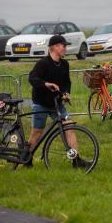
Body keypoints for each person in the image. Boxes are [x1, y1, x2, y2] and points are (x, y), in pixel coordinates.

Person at [28, 35, 89, 168]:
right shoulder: (43, 63)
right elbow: (32, 78)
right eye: (63, 46)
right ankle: (27, 159)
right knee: (37, 132)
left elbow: (67, 83)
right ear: (55, 47)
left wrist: (66, 93)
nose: (65, 48)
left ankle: (76, 160)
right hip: (41, 103)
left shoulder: (64, 64)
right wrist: (46, 84)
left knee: (69, 128)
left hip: (57, 104)